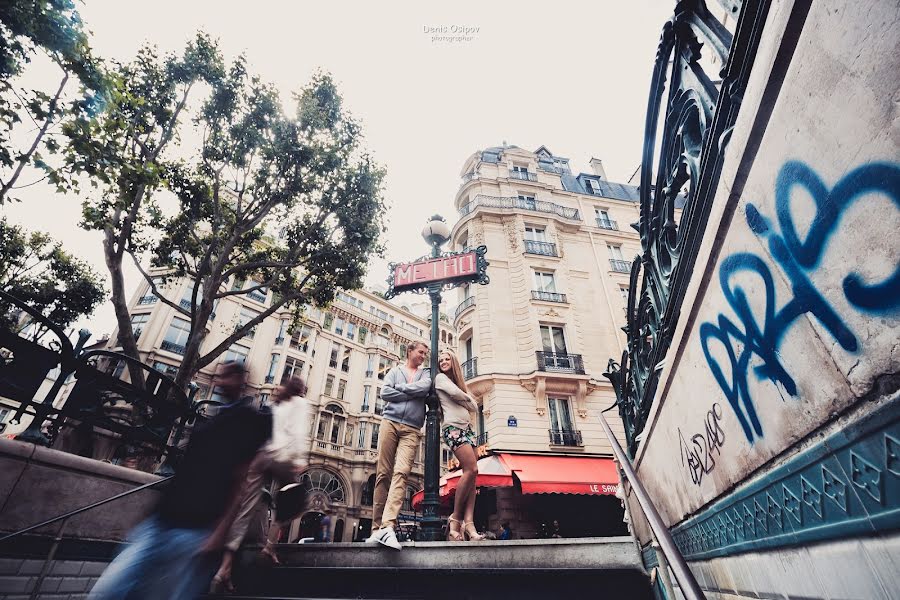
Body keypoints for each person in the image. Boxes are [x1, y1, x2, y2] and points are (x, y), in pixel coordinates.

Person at [89, 362, 271, 600]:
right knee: (109, 590)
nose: (217, 382)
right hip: (162, 521)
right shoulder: (213, 418)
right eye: (217, 377)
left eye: (225, 376)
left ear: (240, 379)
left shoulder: (246, 419)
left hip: (197, 532)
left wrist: (219, 532)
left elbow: (240, 482)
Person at [210, 376, 312, 594]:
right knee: (291, 502)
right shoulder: (301, 403)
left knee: (244, 511)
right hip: (283, 457)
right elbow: (299, 432)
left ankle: (224, 568)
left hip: (261, 456)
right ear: (302, 390)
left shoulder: (278, 403)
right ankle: (269, 548)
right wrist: (301, 458)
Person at [366, 341, 431, 550]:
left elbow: (425, 388)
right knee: (383, 474)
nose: (423, 356)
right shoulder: (395, 371)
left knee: (402, 472)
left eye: (425, 353)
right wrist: (412, 393)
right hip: (390, 423)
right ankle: (376, 530)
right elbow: (385, 393)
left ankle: (387, 526)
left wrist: (401, 390)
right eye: (420, 352)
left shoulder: (425, 374)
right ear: (409, 351)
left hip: (412, 428)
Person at [435, 348, 484, 542]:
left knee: (474, 474)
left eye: (447, 359)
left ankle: (470, 523)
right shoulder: (440, 379)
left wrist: (465, 399)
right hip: (453, 428)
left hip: (468, 430)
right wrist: (466, 398)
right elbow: (458, 396)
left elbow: (473, 405)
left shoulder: (457, 382)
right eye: (441, 359)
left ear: (454, 362)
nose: (444, 361)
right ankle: (455, 518)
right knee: (470, 470)